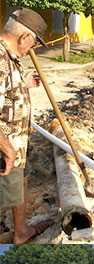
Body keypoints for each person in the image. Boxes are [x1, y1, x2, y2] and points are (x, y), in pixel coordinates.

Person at [0, 10, 53, 244]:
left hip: (12, 148)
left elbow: (5, 92)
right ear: (24, 37)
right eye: (34, 42)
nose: (34, 48)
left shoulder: (8, 58)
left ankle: (20, 231)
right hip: (5, 149)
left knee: (15, 184)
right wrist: (7, 149)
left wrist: (23, 84)